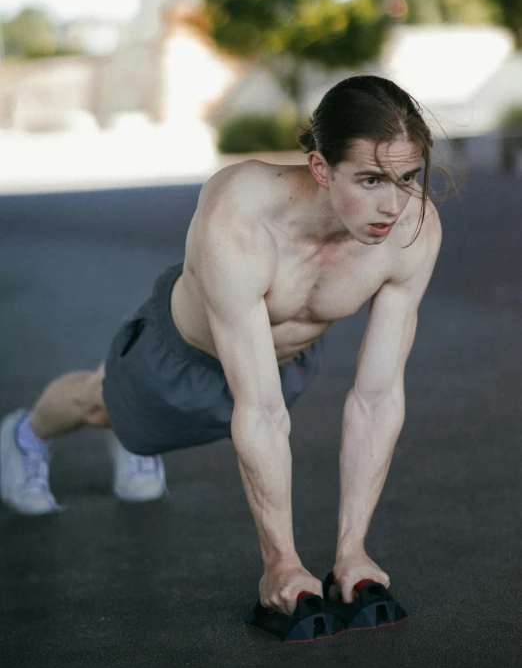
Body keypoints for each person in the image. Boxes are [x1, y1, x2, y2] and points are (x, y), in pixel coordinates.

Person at [0, 75, 443, 617]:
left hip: (288, 365)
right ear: (321, 168)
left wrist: (352, 552)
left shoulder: (413, 229)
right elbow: (257, 410)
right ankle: (25, 435)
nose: (394, 203)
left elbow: (376, 398)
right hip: (180, 361)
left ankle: (345, 551)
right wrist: (280, 564)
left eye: (407, 177)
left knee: (264, 408)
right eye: (371, 179)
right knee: (99, 404)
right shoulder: (241, 214)